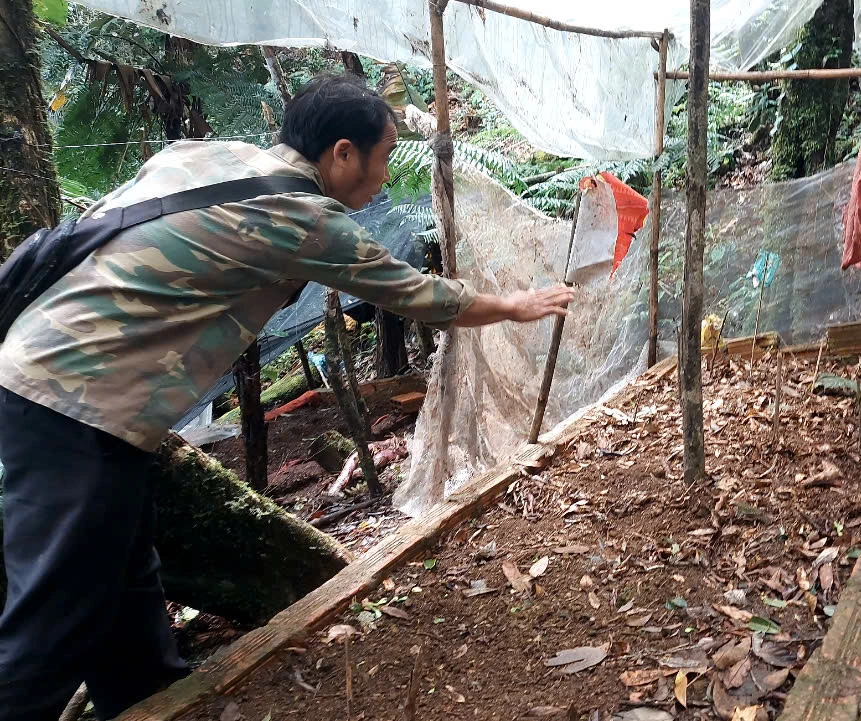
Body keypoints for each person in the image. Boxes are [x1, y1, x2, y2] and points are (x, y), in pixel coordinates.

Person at [0, 74, 574, 721]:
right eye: (382, 157)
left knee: (125, 577)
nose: (385, 177)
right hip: (73, 399)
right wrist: (517, 304)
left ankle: (149, 698)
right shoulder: (303, 216)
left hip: (64, 385)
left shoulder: (206, 156)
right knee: (56, 613)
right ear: (342, 154)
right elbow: (417, 294)